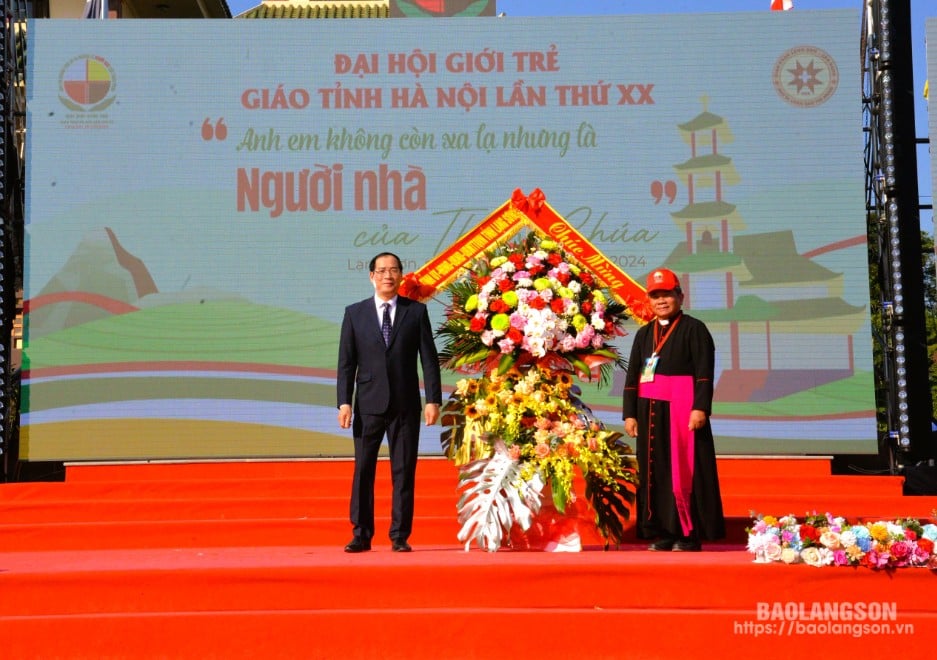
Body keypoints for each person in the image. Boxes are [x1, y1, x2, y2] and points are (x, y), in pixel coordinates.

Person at [336, 252, 442, 553]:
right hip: (368, 404)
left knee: (404, 470)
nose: (388, 275)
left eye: (394, 270)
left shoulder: (415, 312)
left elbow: (429, 360)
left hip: (406, 404)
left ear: (401, 276)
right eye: (382, 270)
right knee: (363, 470)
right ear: (371, 276)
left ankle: (399, 535)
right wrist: (344, 402)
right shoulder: (355, 313)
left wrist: (433, 399)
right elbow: (346, 363)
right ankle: (361, 533)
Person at [622, 268, 725, 551]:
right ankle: (663, 532)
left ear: (680, 295)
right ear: (649, 301)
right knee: (655, 472)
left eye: (667, 294)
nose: (661, 301)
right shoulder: (644, 334)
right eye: (655, 296)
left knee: (685, 472)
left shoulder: (695, 329)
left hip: (683, 412)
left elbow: (705, 373)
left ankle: (689, 534)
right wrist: (630, 414)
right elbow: (633, 376)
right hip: (649, 412)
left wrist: (700, 408)